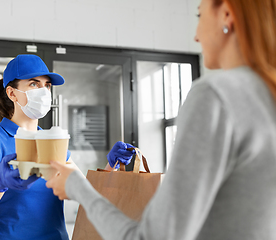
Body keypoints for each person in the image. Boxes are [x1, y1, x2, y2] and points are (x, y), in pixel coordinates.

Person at [46, 0, 276, 239]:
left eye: (199, 16)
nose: (196, 37)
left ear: (227, 14)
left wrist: (79, 188)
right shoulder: (267, 95)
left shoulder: (215, 95)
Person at [0, 54, 135, 240]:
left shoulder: (53, 141)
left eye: (47, 85)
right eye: (34, 84)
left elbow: (87, 197)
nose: (43, 91)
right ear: (11, 93)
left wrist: (110, 166)